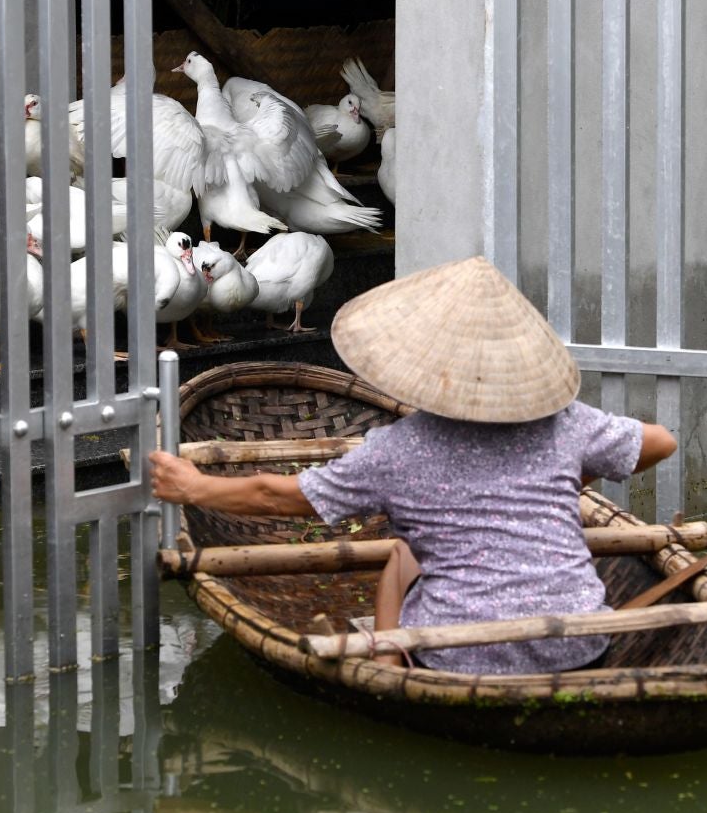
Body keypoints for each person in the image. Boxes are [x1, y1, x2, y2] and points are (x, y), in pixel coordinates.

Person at [150, 255, 677, 674]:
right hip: (579, 645)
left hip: (456, 654)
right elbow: (660, 442)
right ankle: (390, 656)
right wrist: (570, 481)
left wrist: (193, 486)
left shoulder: (394, 451)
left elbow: (280, 498)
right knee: (406, 549)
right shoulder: (567, 424)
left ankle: (387, 662)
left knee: (400, 557)